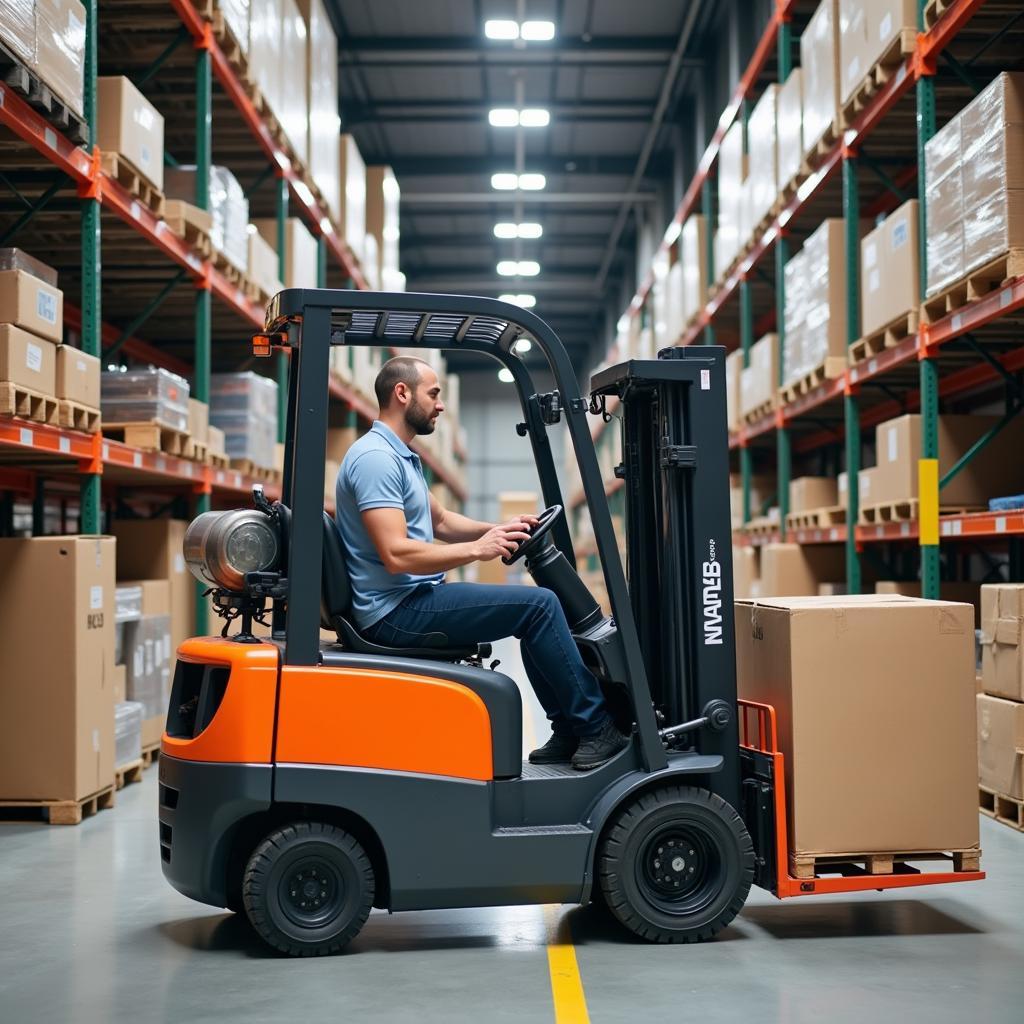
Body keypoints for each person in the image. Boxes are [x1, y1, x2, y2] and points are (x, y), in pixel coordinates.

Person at [335, 355, 629, 771]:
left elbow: (441, 521)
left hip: (405, 600)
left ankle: (568, 727)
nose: (440, 405)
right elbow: (396, 554)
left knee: (535, 611)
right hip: (394, 611)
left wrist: (502, 529)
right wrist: (479, 549)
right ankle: (596, 726)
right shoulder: (376, 460)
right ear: (402, 394)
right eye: (433, 394)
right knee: (540, 606)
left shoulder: (398, 455)